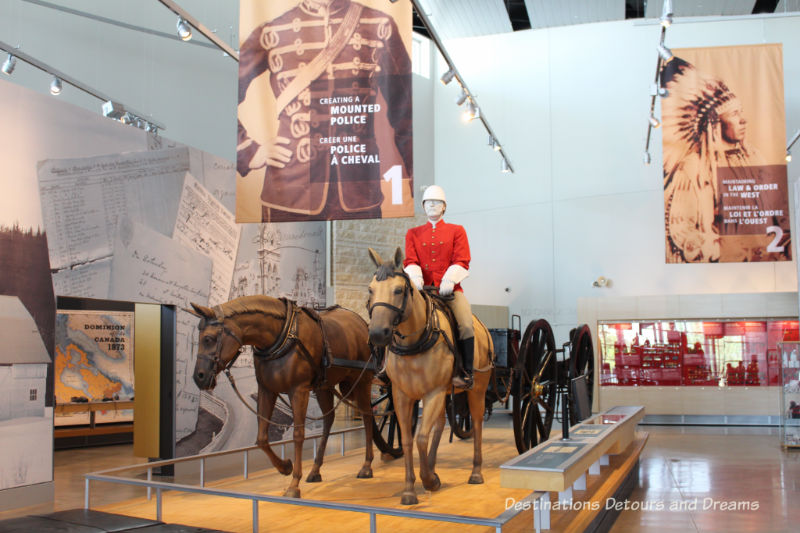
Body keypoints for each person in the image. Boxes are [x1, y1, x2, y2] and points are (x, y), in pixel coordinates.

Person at [237, 0, 413, 222]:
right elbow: (221, 91)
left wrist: (419, 186)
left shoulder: (380, 26)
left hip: (358, 190)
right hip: (291, 190)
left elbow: (406, 111)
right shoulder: (273, 31)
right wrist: (248, 152)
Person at [660, 57, 779, 263]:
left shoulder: (754, 157)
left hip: (761, 261)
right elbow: (681, 226)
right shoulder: (694, 167)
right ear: (715, 124)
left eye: (741, 112)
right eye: (734, 114)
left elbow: (773, 209)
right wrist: (710, 248)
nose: (743, 119)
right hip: (719, 265)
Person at [403, 185, 475, 389]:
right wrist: (415, 277)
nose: (432, 205)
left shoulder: (457, 230)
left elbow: (462, 260)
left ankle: (467, 372)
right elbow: (410, 260)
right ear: (423, 207)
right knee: (395, 315)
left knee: (465, 323)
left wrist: (450, 279)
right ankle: (385, 366)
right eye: (428, 202)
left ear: (444, 207)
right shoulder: (413, 233)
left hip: (450, 292)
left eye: (437, 202)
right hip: (422, 291)